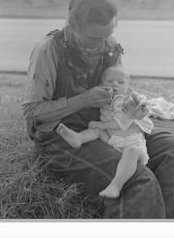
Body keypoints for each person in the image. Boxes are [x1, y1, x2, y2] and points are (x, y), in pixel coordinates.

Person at [22, 0, 174, 218]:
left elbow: (121, 89)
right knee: (136, 180)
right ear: (72, 25)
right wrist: (83, 100)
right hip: (62, 136)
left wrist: (132, 107)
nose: (103, 44)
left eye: (108, 34)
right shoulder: (48, 50)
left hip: (110, 127)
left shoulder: (110, 46)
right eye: (94, 39)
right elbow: (32, 113)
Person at [56, 65, 154, 199]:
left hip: (133, 144)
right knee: (95, 131)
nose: (115, 84)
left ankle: (116, 185)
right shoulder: (105, 98)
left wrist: (142, 103)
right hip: (111, 140)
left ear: (128, 87)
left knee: (131, 151)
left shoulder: (128, 99)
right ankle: (78, 138)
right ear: (102, 84)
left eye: (121, 82)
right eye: (110, 81)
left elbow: (122, 122)